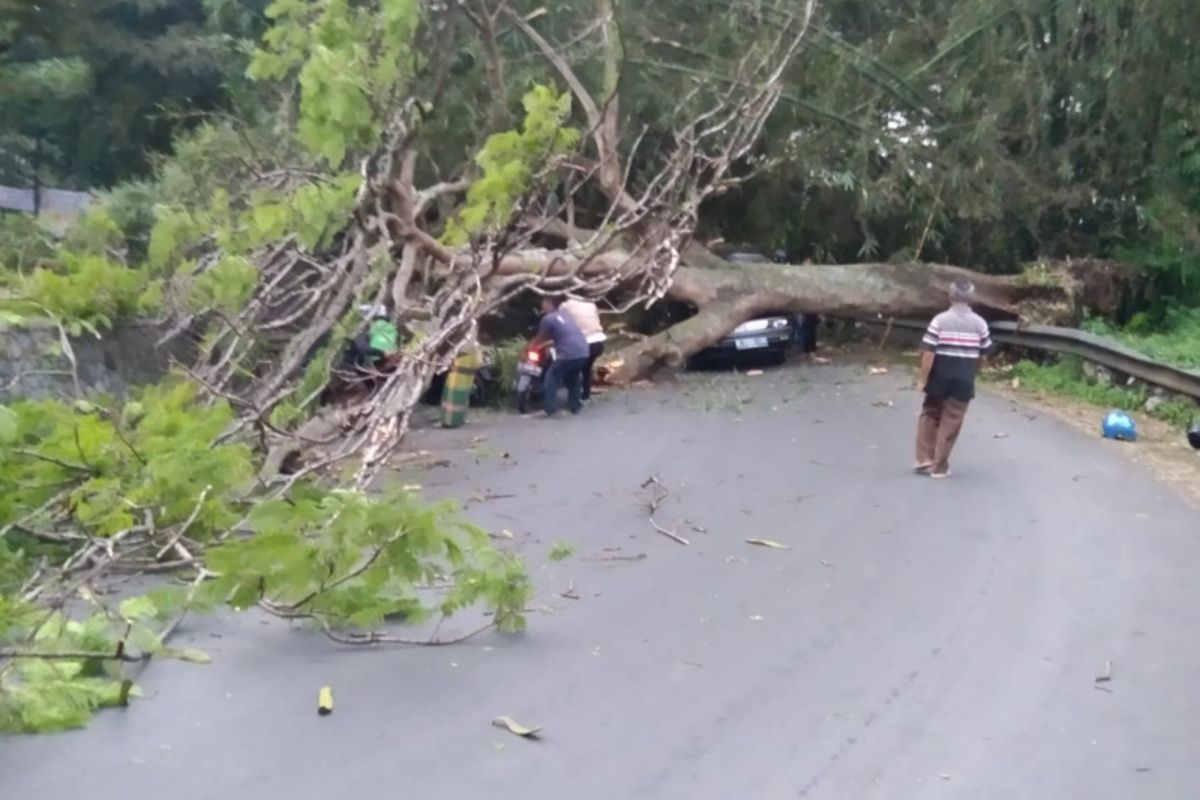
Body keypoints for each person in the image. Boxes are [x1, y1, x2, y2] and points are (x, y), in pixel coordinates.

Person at [914, 279, 993, 478]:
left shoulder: (939, 320)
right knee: (952, 420)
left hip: (939, 377)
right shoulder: (980, 324)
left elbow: (928, 353)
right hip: (963, 380)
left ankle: (925, 459)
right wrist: (973, 373)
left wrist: (923, 379)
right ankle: (939, 466)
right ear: (972, 298)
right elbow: (983, 355)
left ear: (950, 296)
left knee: (930, 413)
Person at [529, 296, 590, 416]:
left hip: (568, 354)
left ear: (549, 303)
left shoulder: (548, 319)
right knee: (573, 377)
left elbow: (540, 338)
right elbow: (565, 336)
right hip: (583, 351)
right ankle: (575, 406)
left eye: (543, 303)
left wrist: (531, 346)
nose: (542, 305)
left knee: (551, 377)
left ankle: (550, 409)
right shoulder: (566, 315)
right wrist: (547, 344)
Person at [561, 297, 606, 400]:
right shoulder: (591, 304)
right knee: (586, 368)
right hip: (597, 341)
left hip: (581, 343)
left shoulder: (565, 306)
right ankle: (586, 393)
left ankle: (574, 397)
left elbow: (559, 321)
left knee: (572, 369)